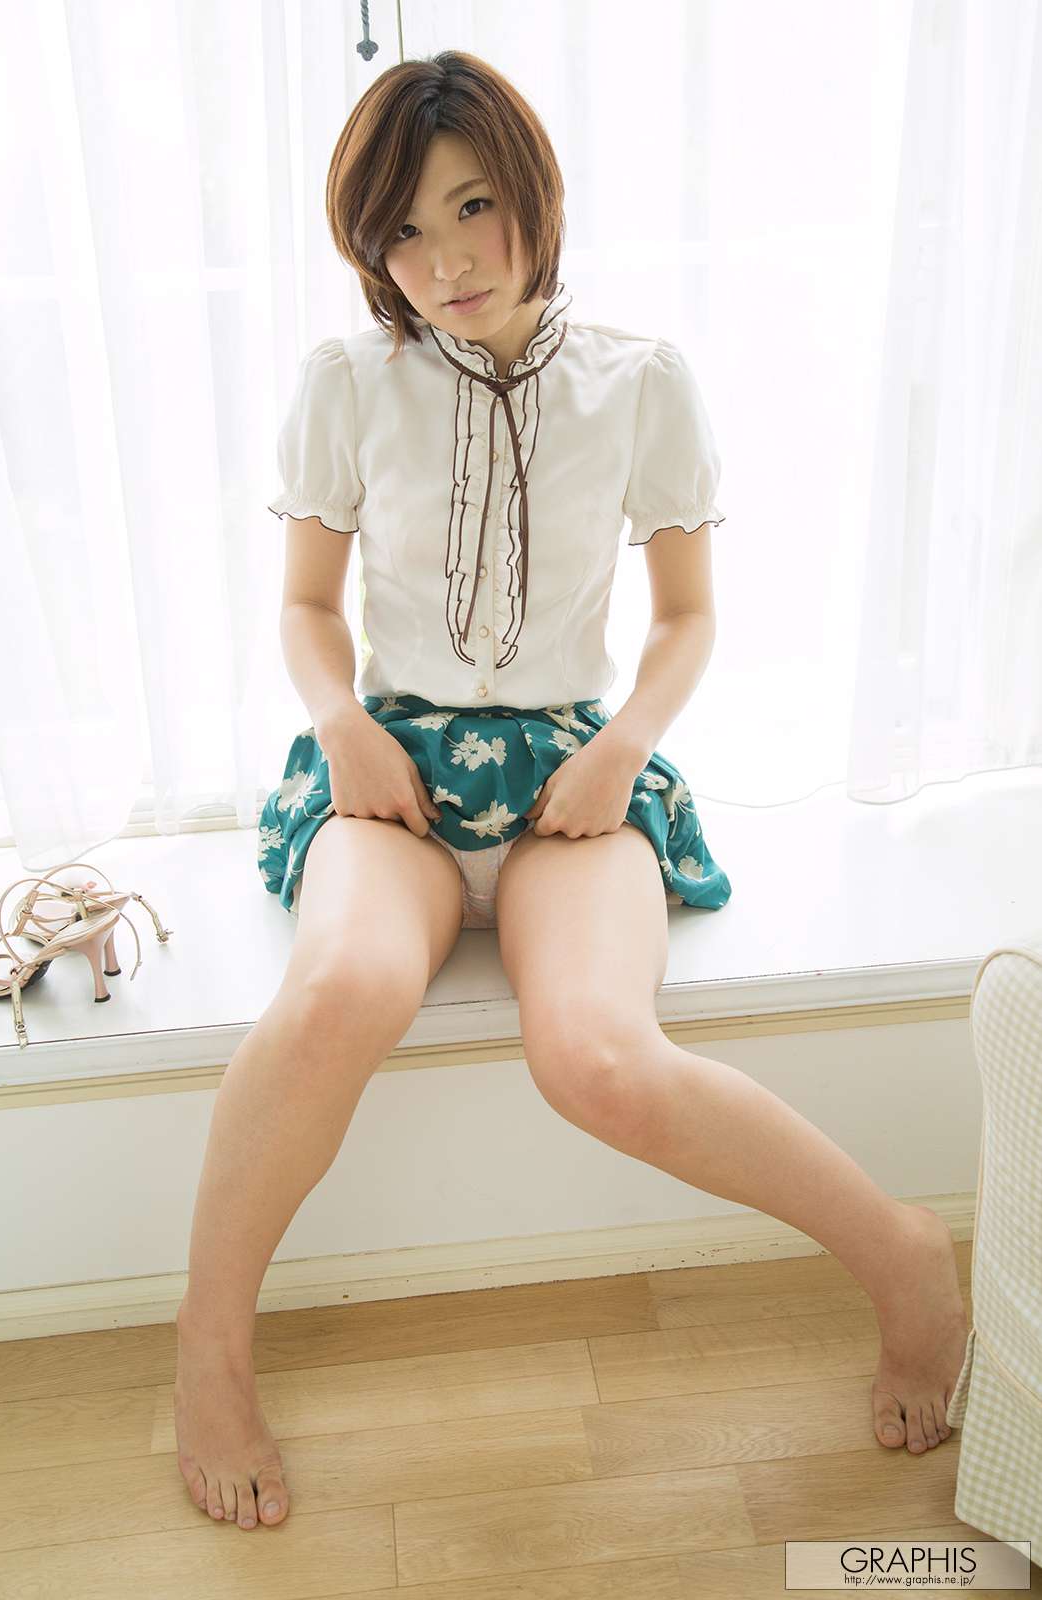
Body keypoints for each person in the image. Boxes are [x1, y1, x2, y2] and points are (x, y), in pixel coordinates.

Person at [172, 50, 968, 1534]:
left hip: (570, 773)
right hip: (395, 768)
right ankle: (208, 1352)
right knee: (342, 988)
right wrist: (340, 724)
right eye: (403, 233)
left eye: (472, 206)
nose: (445, 262)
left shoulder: (638, 380)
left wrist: (619, 752)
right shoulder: (348, 383)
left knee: (597, 1055)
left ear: (534, 193)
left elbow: (687, 618)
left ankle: (904, 1253)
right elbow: (306, 603)